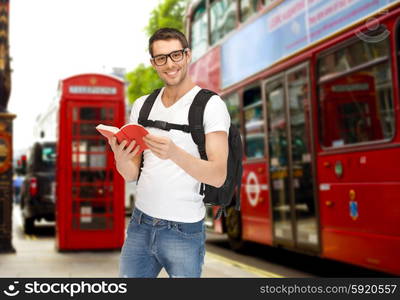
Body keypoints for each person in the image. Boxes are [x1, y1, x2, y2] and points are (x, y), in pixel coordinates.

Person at [108, 28, 230, 278]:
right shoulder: (143, 106)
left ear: (187, 55)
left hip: (183, 231)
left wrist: (174, 153)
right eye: (161, 58)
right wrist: (120, 156)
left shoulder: (211, 105)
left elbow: (218, 175)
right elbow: (131, 174)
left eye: (175, 55)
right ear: (154, 63)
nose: (170, 64)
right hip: (140, 226)